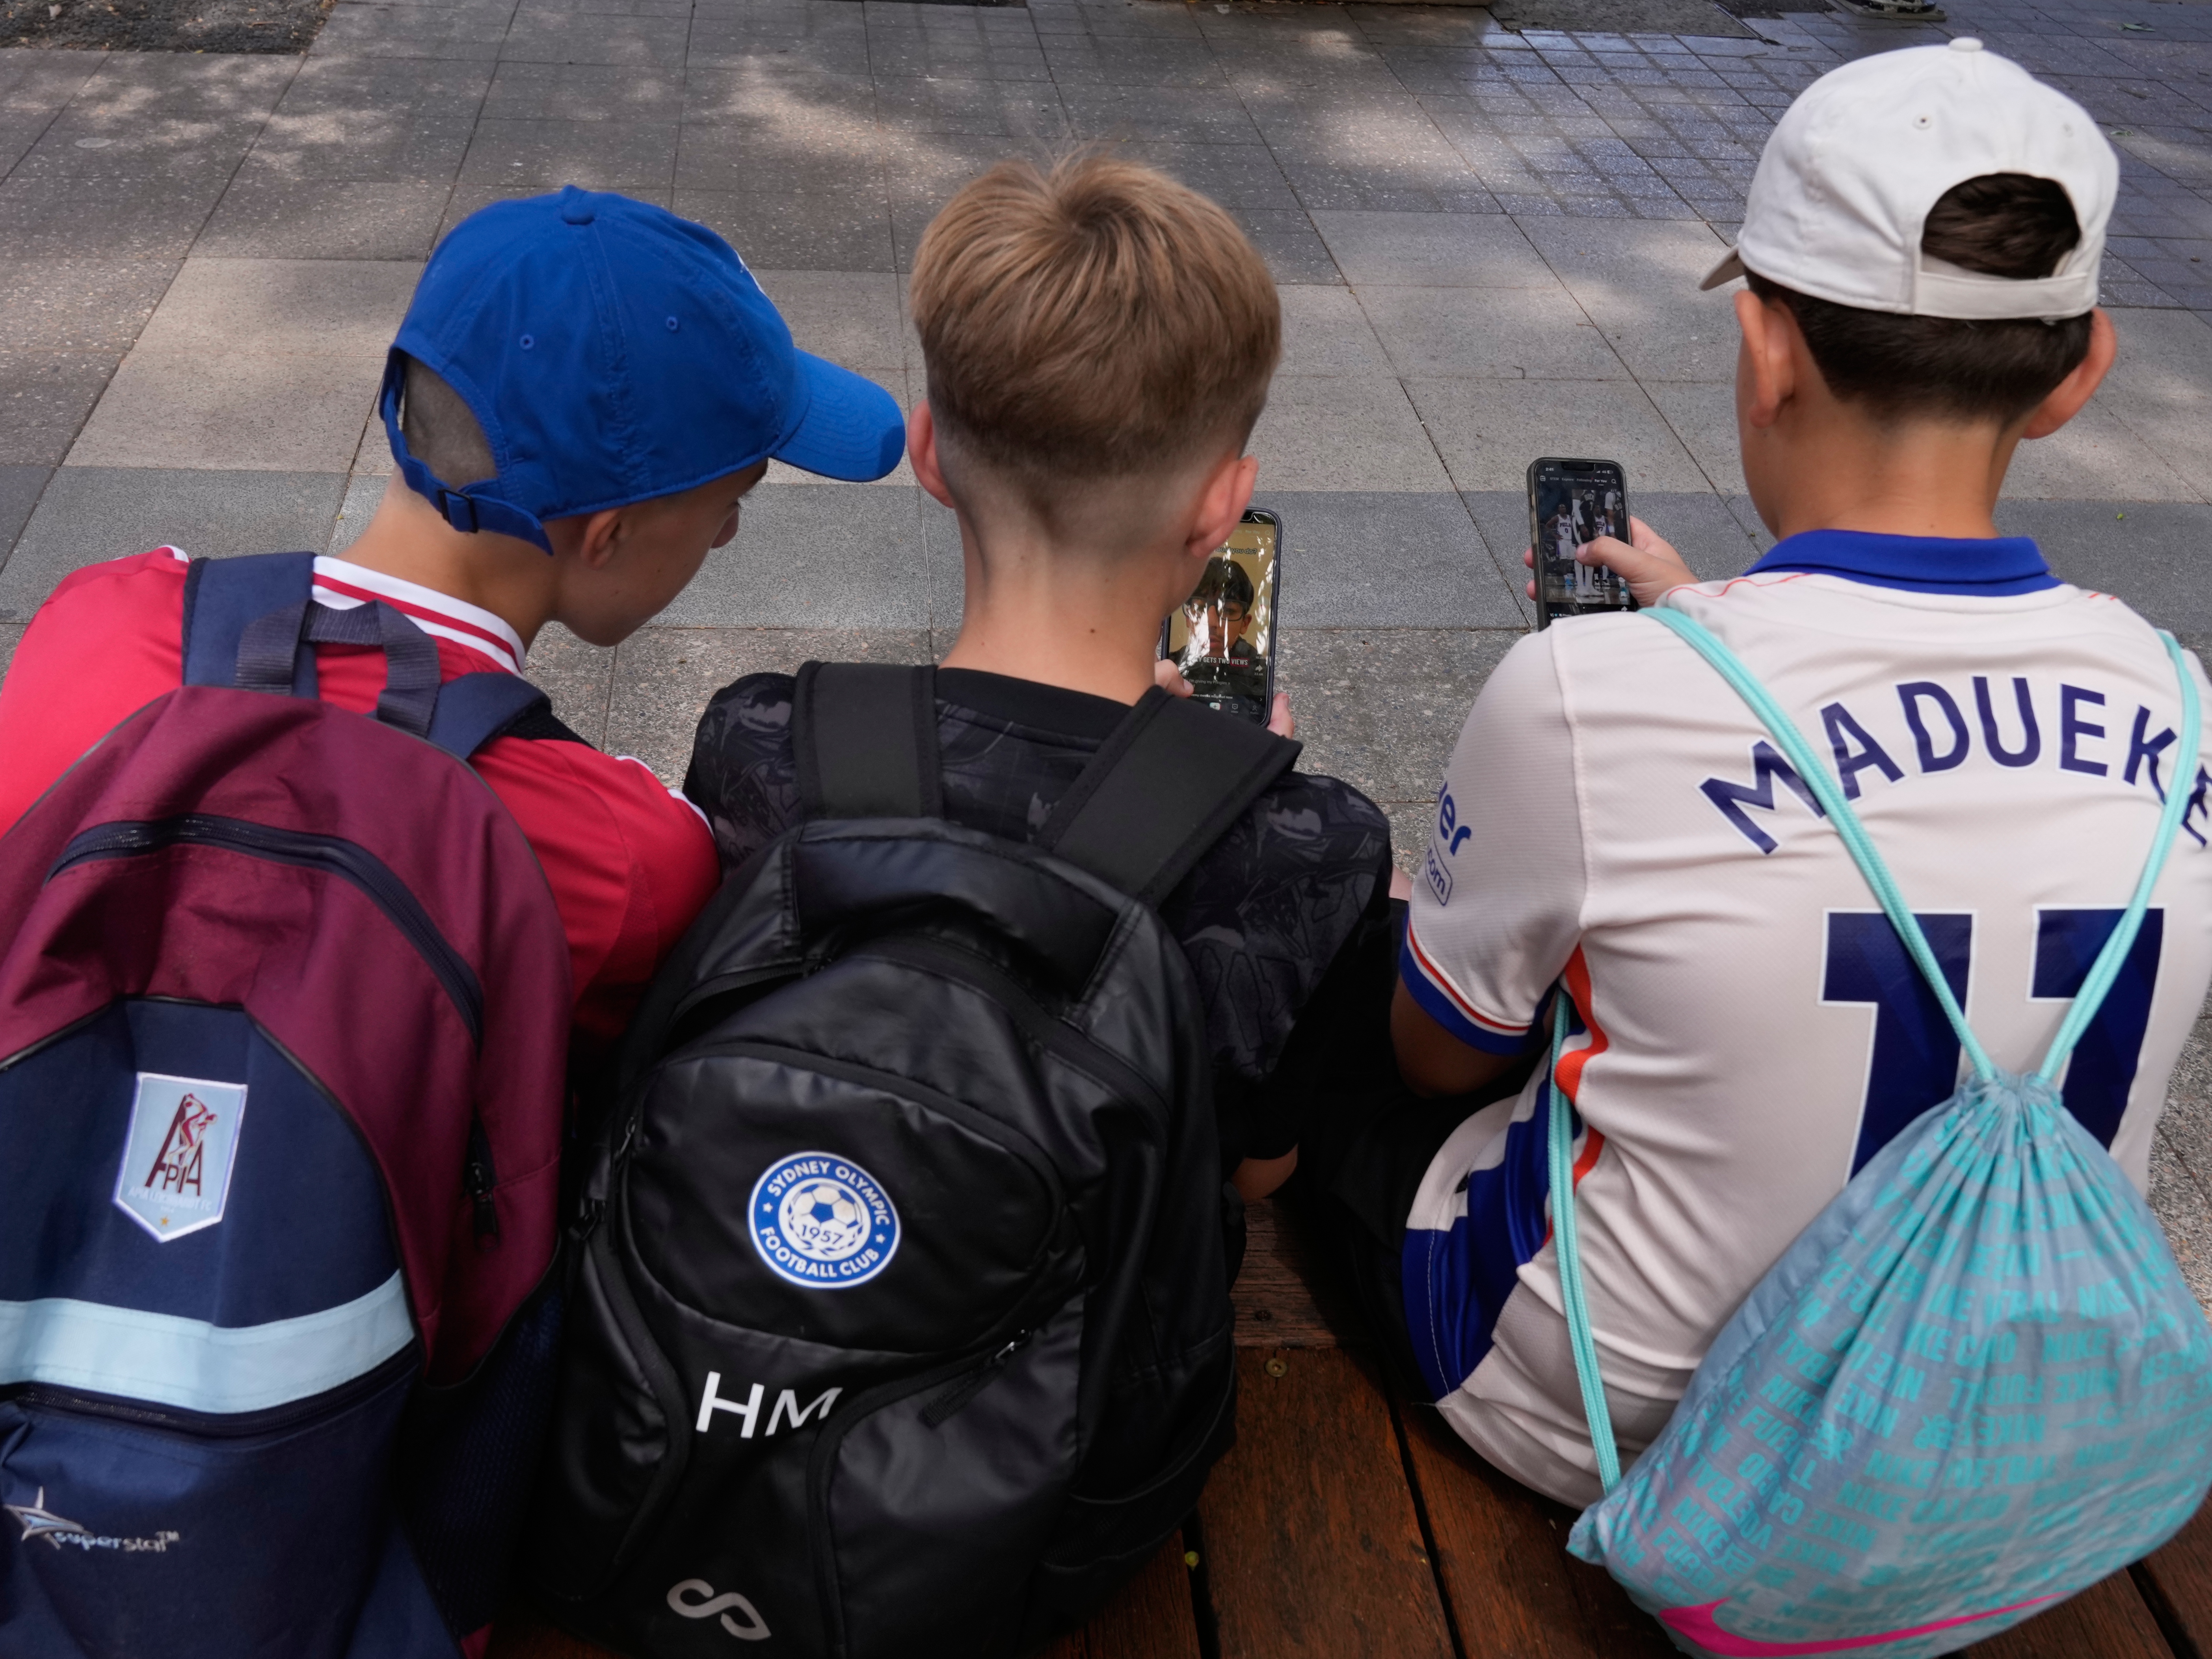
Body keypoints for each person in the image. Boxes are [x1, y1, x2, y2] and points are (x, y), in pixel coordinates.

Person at [1307, 41, 2212, 1506]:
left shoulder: (1589, 699)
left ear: (1768, 349)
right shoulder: (2180, 700)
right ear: (2079, 374)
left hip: (1605, 1425)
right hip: (1986, 1411)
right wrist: (1711, 638)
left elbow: (1438, 1063)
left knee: (1371, 992)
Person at [0, 186, 908, 1071]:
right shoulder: (625, 858)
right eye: (729, 500)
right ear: (609, 535)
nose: (728, 533)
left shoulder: (97, 616)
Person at [686, 156, 1394, 1207]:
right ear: (1221, 506)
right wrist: (1214, 781)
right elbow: (1252, 1172)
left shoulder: (760, 742)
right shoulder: (1303, 846)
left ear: (926, 453)